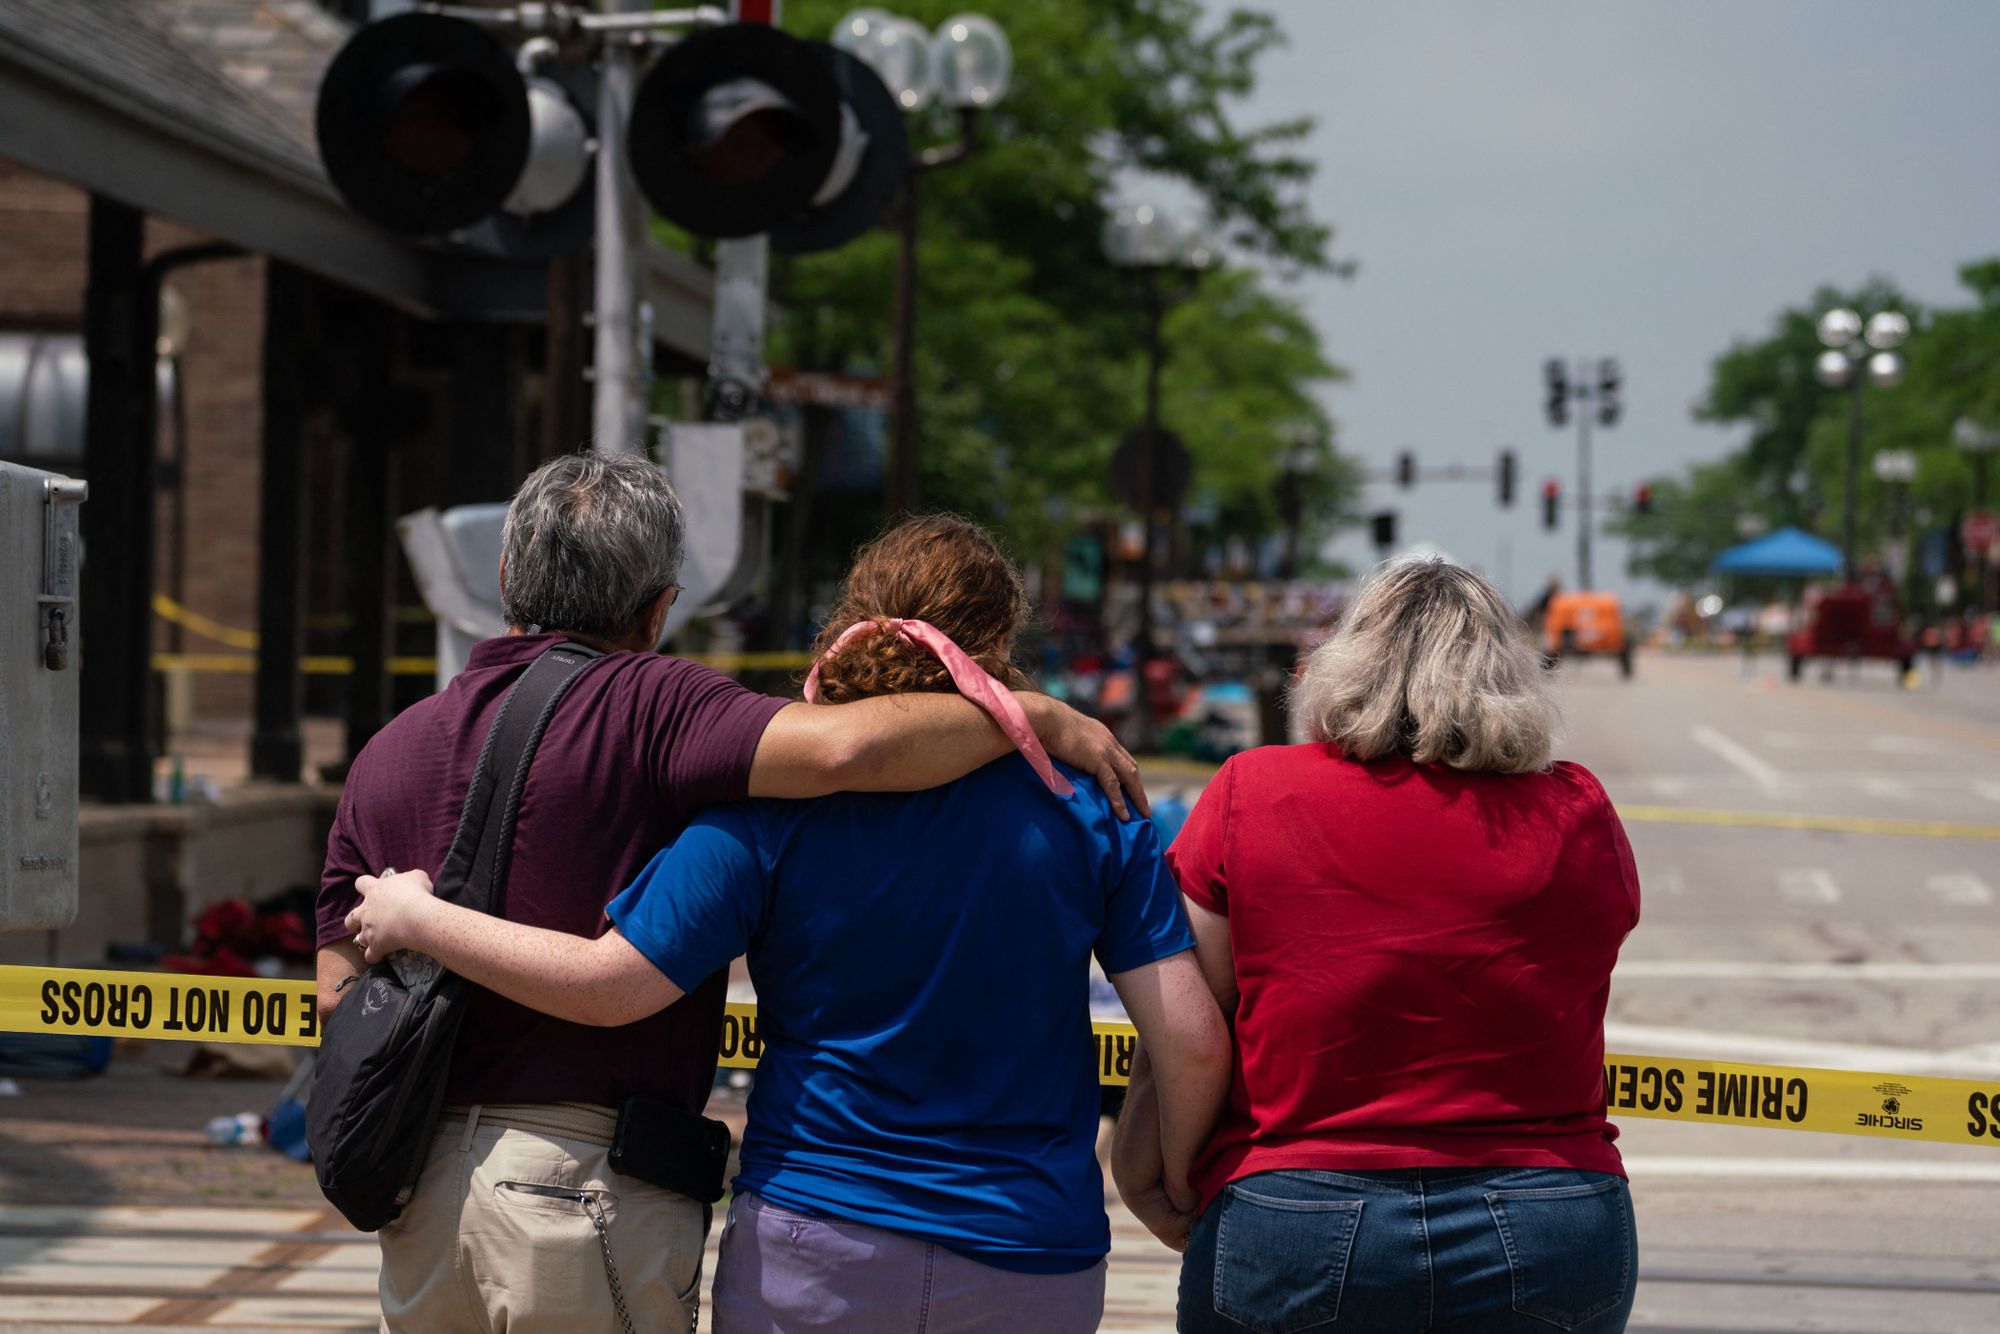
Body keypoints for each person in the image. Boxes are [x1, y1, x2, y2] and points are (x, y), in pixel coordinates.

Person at [344, 514, 1232, 1334]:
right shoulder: (1093, 811)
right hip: (1033, 1251)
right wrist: (1164, 1178)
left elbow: (613, 981)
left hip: (815, 1246)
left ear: (855, 619)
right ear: (1000, 644)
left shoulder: (768, 810)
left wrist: (422, 918)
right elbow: (1189, 1039)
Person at [1114, 556, 1642, 1333]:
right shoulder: (1577, 808)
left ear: (1344, 663)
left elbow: (1188, 1028)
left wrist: (1162, 1170)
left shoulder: (1251, 791)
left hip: (1297, 1210)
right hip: (1549, 1215)